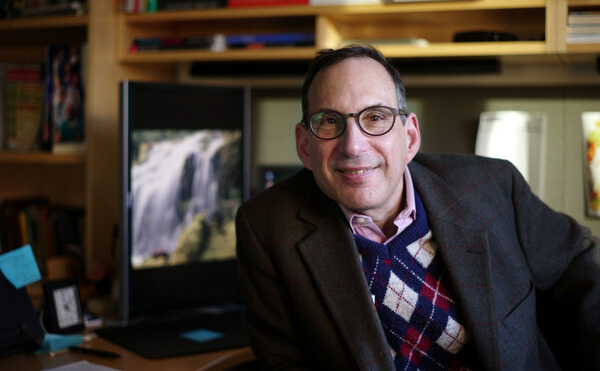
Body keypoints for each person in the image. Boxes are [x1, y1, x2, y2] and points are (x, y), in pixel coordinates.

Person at [234, 45, 600, 370]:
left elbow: (577, 266)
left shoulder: (493, 188)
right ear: (304, 146)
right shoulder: (268, 227)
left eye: (375, 117)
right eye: (330, 121)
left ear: (409, 137)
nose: (354, 146)